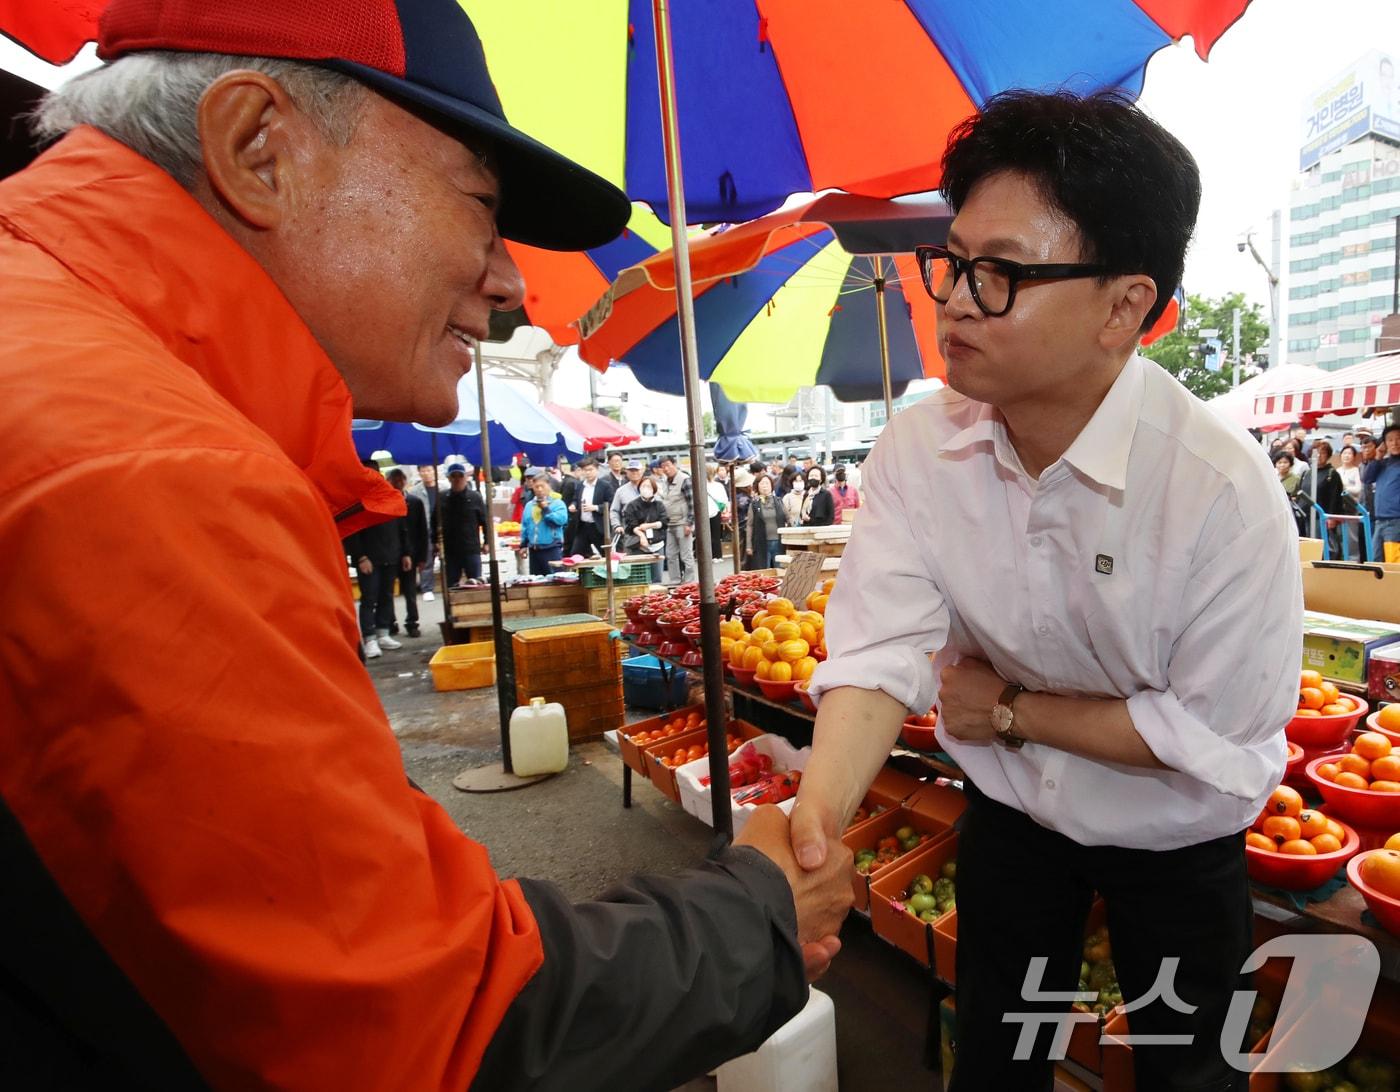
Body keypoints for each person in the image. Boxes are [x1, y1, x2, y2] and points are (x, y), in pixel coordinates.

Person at [0, 2, 852, 1086]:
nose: (507, 282)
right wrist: (759, 914)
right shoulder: (145, 468)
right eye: (480, 208)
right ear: (258, 149)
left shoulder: (73, 358)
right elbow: (418, 1032)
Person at [793, 90, 1301, 1092]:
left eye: (1002, 275)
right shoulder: (916, 450)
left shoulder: (1219, 495)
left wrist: (1013, 710)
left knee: (1183, 1072)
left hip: (1174, 842)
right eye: (952, 261)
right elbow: (877, 652)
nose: (952, 301)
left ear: (1123, 307)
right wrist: (810, 837)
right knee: (995, 1055)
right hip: (1014, 822)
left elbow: (1215, 747)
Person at [344, 461, 412, 659]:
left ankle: (383, 632)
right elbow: (352, 532)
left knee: (387, 595)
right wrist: (360, 557)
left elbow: (402, 528)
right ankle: (369, 637)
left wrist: (405, 553)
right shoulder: (357, 501)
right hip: (369, 559)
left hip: (391, 555)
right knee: (369, 598)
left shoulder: (389, 496)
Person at [387, 468, 429, 637]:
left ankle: (412, 622)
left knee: (410, 591)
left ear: (405, 481)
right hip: (389, 554)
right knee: (388, 592)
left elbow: (422, 531)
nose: (398, 483)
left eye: (400, 480)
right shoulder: (385, 502)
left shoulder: (415, 502)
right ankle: (390, 623)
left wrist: (422, 557)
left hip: (410, 554)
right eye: (394, 480)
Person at [438, 462, 488, 585]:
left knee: (476, 583)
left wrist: (487, 542)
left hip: (471, 548)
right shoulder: (442, 498)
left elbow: (485, 522)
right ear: (449, 478)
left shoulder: (475, 497)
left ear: (465, 477)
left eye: (460, 476)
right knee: (451, 585)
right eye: (453, 476)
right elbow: (435, 521)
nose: (457, 479)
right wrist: (435, 542)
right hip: (450, 550)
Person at [1362, 425, 1400, 561]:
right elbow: (1366, 478)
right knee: (1375, 563)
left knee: (1393, 563)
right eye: (1390, 440)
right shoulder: (1382, 463)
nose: (1395, 443)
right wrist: (1378, 456)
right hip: (1379, 520)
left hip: (1396, 520)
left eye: (1398, 439)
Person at [657, 455, 696, 585]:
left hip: (682, 523)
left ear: (674, 464)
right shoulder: (665, 482)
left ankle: (689, 582)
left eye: (668, 465)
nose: (666, 469)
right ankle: (675, 580)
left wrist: (689, 523)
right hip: (670, 524)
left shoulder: (684, 479)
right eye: (663, 467)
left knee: (686, 555)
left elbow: (693, 503)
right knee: (671, 554)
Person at [521, 474, 569, 575]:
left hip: (551, 547)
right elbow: (525, 525)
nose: (539, 489)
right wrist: (523, 545)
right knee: (537, 581)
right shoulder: (529, 505)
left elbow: (561, 521)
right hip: (534, 549)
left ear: (548, 485)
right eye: (536, 487)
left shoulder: (557, 503)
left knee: (555, 578)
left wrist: (546, 509)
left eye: (542, 486)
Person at [568, 456, 614, 557]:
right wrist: (573, 505)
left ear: (597, 470)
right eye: (585, 470)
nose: (587, 473)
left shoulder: (605, 486)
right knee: (576, 554)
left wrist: (596, 507)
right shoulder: (580, 485)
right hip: (583, 526)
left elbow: (611, 504)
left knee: (606, 555)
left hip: (598, 526)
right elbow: (576, 499)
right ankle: (581, 573)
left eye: (590, 470)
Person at [745, 473, 786, 571]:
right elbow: (750, 525)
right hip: (762, 543)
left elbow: (788, 518)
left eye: (767, 483)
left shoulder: (779, 501)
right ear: (757, 486)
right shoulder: (754, 504)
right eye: (762, 483)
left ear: (772, 486)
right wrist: (749, 545)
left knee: (780, 569)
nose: (765, 486)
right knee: (764, 570)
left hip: (779, 542)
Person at [414, 463, 442, 600]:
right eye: (423, 470)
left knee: (447, 557)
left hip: (442, 526)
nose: (427, 473)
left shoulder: (444, 487)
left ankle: (449, 585)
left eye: (429, 470)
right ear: (419, 473)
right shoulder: (415, 491)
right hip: (424, 528)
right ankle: (427, 588)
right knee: (427, 558)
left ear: (434, 471)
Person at [621, 475, 667, 556]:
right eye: (643, 486)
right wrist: (641, 535)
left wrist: (649, 525)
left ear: (654, 489)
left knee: (657, 568)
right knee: (640, 568)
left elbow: (664, 522)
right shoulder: (632, 505)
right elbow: (630, 525)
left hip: (657, 545)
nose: (646, 489)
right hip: (638, 545)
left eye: (649, 486)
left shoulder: (659, 504)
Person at [1338, 444, 1365, 558]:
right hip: (1339, 508)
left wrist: (1344, 487)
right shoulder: (1337, 470)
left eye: (1350, 454)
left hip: (1352, 507)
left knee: (1352, 537)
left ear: (1354, 456)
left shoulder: (1356, 470)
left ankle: (1354, 560)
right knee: (1340, 536)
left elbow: (1358, 489)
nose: (1347, 456)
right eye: (1345, 453)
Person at [609, 458, 645, 536]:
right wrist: (617, 525)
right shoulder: (621, 491)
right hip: (629, 532)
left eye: (637, 470)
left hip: (650, 529)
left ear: (642, 471)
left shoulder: (652, 486)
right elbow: (614, 510)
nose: (634, 473)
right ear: (627, 472)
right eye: (631, 471)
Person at [706, 464, 729, 561]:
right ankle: (718, 555)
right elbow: (724, 500)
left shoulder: (700, 486)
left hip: (703, 513)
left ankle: (708, 556)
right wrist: (724, 510)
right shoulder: (719, 485)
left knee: (706, 536)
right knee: (716, 535)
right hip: (716, 512)